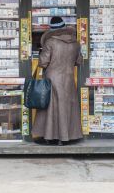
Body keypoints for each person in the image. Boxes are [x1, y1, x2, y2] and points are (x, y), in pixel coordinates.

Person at [32, 16, 83, 144]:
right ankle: (66, 138)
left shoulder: (50, 42)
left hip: (52, 79)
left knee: (50, 108)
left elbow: (43, 63)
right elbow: (79, 61)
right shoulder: (75, 43)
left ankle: (49, 137)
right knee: (67, 107)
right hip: (69, 79)